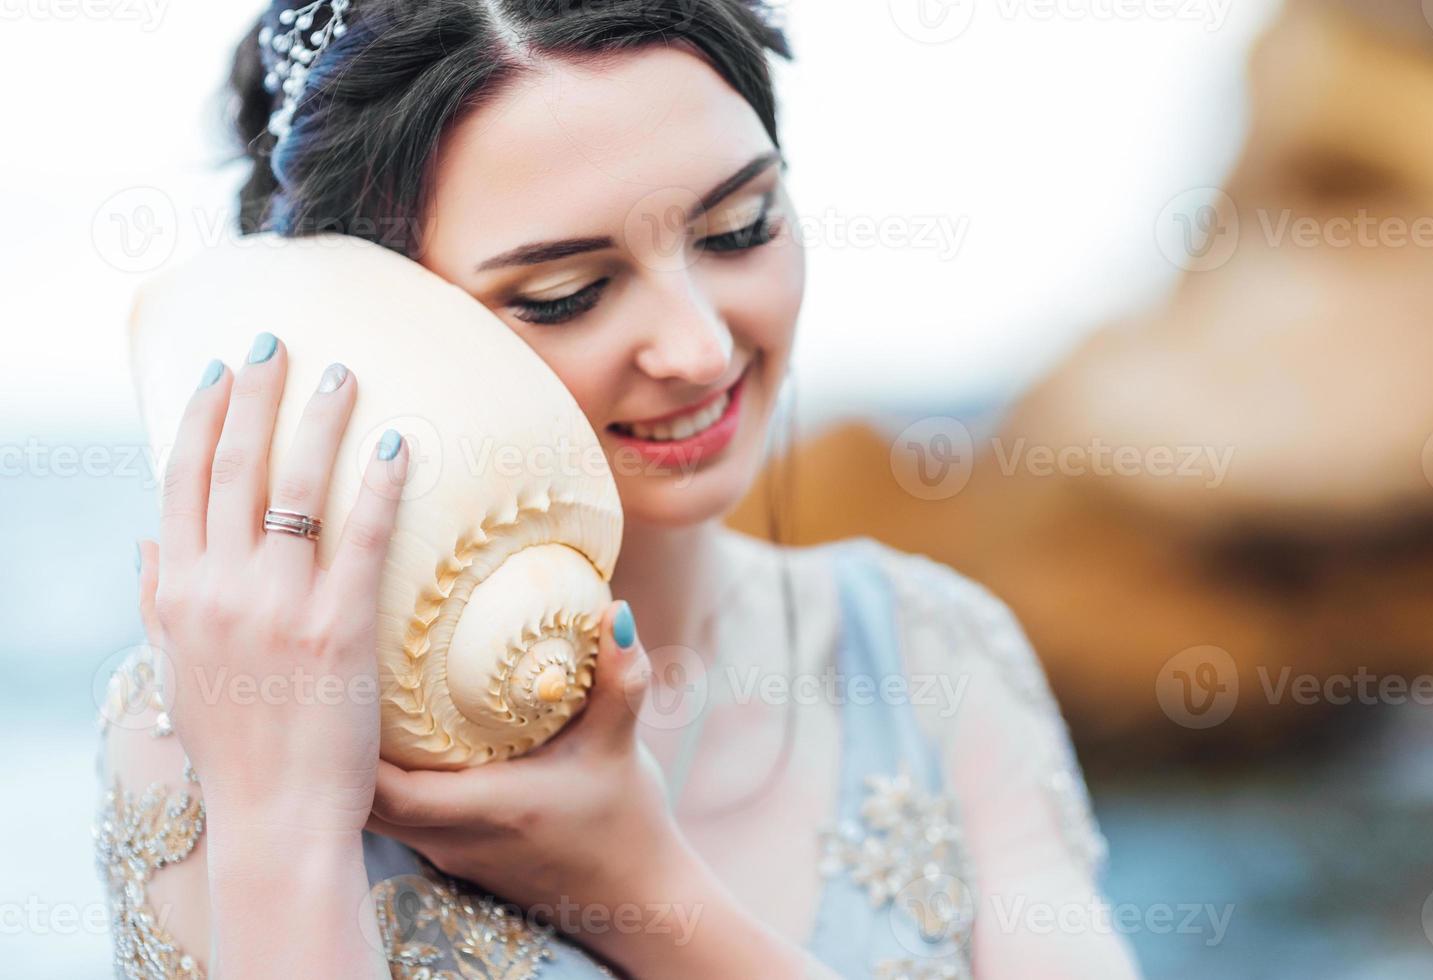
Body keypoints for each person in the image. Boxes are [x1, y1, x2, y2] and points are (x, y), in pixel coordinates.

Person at [95, 2, 1140, 976]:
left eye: (740, 227)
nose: (697, 345)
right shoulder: (213, 733)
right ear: (364, 307)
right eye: (566, 293)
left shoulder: (929, 653)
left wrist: (640, 891)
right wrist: (282, 820)